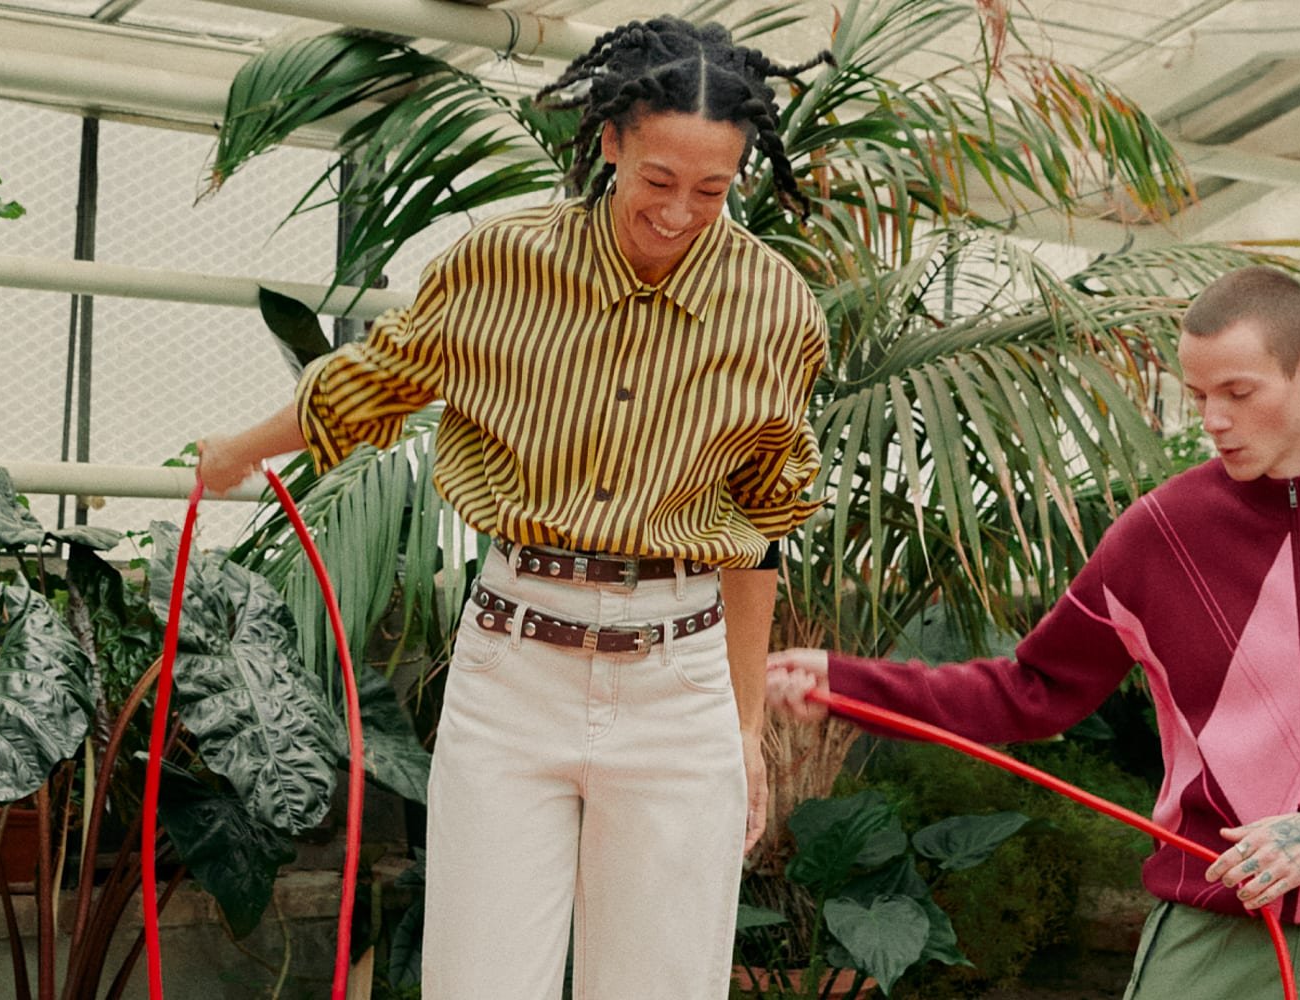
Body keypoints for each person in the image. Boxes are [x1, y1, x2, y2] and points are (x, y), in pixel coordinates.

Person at [195, 18, 831, 1000]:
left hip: (679, 682)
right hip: (514, 666)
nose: (679, 213)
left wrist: (743, 732)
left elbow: (762, 527)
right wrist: (240, 448)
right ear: (610, 139)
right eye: (658, 180)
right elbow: (378, 381)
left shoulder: (776, 307)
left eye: (712, 190)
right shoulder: (500, 265)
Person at [767, 266, 1300, 999]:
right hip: (1211, 926)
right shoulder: (1161, 533)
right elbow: (1033, 689)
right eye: (1197, 395)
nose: (1212, 419)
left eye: (1238, 392)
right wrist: (852, 685)